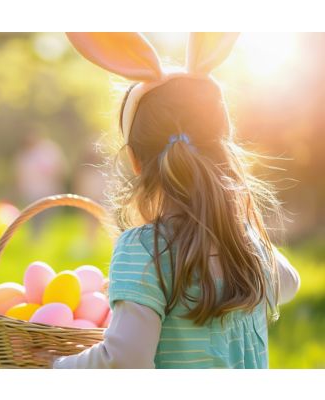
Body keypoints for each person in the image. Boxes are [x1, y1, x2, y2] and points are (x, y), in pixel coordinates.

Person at [47, 32, 301, 368]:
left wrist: (53, 368)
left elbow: (125, 362)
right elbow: (289, 285)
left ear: (136, 161)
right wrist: (237, 225)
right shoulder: (246, 242)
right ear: (221, 148)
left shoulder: (144, 249)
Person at [15, 133, 67, 238]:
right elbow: (20, 174)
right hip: (31, 192)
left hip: (48, 190)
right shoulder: (24, 155)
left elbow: (59, 168)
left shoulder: (48, 151)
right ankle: (35, 238)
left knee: (45, 216)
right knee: (33, 216)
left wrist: (58, 183)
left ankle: (42, 237)